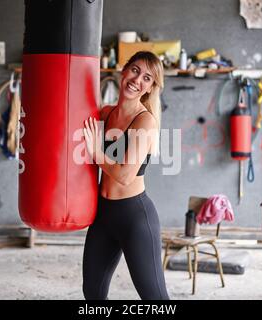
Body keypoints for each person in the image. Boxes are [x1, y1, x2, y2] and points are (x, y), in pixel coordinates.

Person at [82, 51, 170, 300]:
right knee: (93, 293)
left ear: (151, 87)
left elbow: (124, 175)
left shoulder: (145, 121)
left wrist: (96, 152)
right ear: (124, 70)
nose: (137, 80)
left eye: (147, 78)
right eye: (135, 70)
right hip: (103, 215)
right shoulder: (106, 113)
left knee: (155, 298)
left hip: (135, 217)